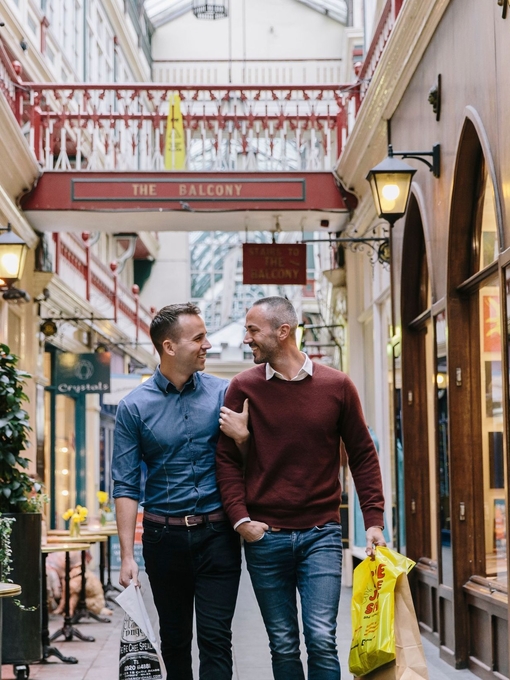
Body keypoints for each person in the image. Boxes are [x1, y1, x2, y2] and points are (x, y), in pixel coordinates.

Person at [216, 296, 386, 680]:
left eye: (253, 330)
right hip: (266, 538)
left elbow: (362, 454)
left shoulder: (337, 386)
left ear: (283, 331)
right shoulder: (242, 388)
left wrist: (373, 520)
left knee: (322, 637)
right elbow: (225, 461)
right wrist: (241, 520)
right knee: (282, 642)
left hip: (321, 534)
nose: (246, 338)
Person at [112, 303, 242, 680]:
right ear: (169, 347)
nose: (208, 345)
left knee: (217, 639)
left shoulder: (224, 393)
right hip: (163, 537)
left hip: (217, 534)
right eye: (198, 338)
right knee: (173, 640)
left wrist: (246, 437)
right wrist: (125, 556)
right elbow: (125, 484)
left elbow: (248, 460)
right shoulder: (133, 408)